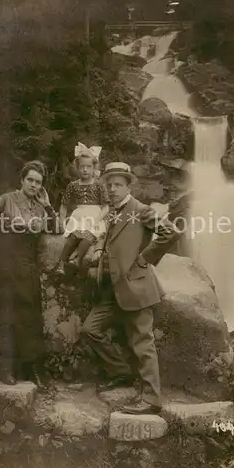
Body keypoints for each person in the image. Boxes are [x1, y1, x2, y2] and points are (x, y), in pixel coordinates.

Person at [81, 162, 182, 415]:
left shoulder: (141, 210)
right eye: (109, 184)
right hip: (111, 291)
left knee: (143, 344)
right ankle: (121, 372)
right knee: (90, 330)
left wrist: (145, 259)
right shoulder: (113, 212)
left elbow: (170, 232)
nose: (112, 189)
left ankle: (152, 399)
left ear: (128, 186)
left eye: (118, 184)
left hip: (136, 288)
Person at [0, 160, 56, 389]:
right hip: (2, 263)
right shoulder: (7, 199)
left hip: (26, 264)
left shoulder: (40, 207)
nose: (33, 185)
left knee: (29, 315)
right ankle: (4, 369)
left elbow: (57, 228)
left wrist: (48, 206)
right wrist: (1, 232)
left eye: (38, 182)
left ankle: (32, 369)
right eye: (30, 180)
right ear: (22, 180)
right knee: (4, 314)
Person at [56, 142, 110, 274]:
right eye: (82, 167)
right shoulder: (73, 185)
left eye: (88, 167)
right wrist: (62, 221)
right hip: (78, 217)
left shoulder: (99, 185)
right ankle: (61, 264)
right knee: (72, 239)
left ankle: (76, 260)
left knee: (87, 238)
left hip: (94, 217)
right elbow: (64, 205)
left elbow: (106, 206)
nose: (85, 170)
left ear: (94, 168)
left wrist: (97, 219)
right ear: (77, 167)